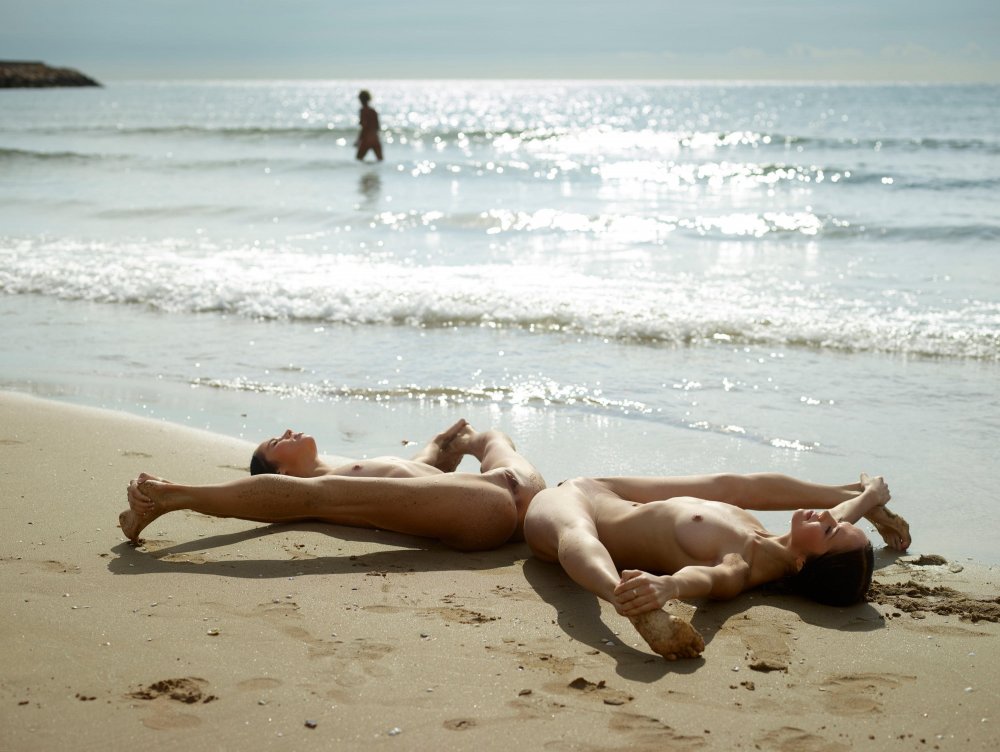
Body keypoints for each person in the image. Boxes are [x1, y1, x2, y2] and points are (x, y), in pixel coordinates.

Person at [523, 472, 911, 661]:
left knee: (575, 532)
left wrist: (669, 587)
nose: (827, 516)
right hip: (606, 490)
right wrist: (868, 498)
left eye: (829, 531)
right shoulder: (770, 539)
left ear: (801, 563)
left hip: (565, 510)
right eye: (836, 521)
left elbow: (710, 580)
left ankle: (623, 598)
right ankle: (629, 598)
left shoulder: (741, 567)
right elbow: (744, 488)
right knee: (729, 485)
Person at [121, 420, 545, 552]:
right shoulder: (313, 492)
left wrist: (439, 445)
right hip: (482, 508)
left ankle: (474, 440)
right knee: (318, 496)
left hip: (521, 496)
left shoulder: (351, 471)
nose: (288, 431)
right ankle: (173, 497)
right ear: (280, 474)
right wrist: (183, 494)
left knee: (495, 438)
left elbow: (413, 471)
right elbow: (276, 498)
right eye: (276, 442)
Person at [354, 89, 383, 162]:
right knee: (380, 161)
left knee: (358, 160)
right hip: (375, 138)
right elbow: (377, 127)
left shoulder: (363, 111)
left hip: (367, 139)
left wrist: (359, 140)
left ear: (361, 99)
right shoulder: (373, 111)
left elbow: (364, 127)